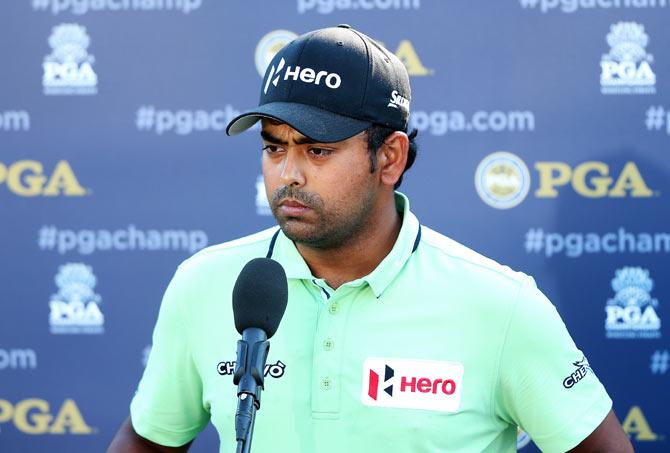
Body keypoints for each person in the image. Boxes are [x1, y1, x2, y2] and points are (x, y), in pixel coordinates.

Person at [109, 25, 633, 452]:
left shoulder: (502, 306)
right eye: (273, 148)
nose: (287, 173)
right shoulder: (206, 284)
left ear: (389, 158)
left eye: (317, 151)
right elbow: (147, 440)